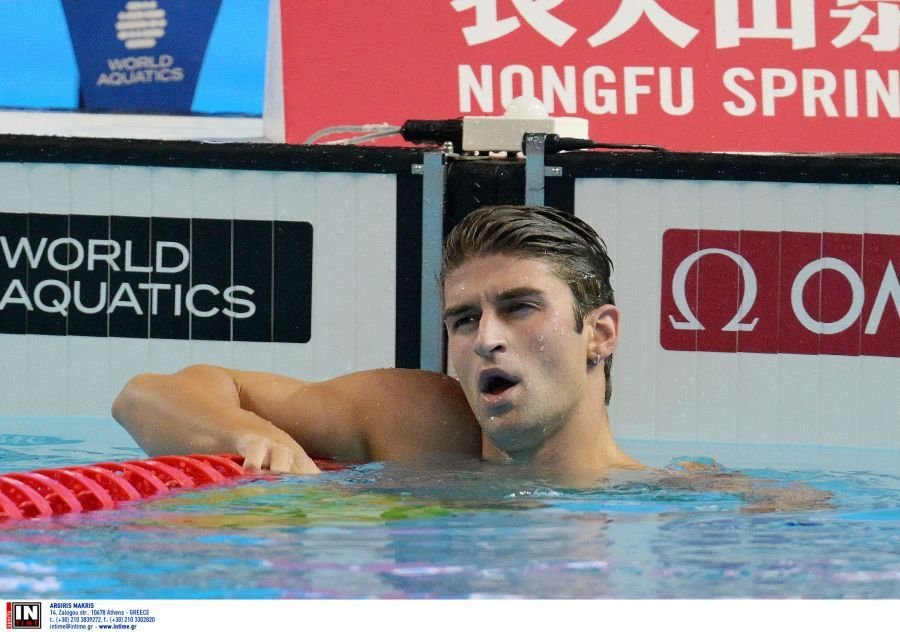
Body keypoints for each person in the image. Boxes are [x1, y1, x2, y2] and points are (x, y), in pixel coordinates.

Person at [112, 205, 641, 476]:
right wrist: (249, 436)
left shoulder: (666, 502)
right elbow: (144, 397)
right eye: (463, 320)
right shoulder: (418, 426)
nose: (486, 339)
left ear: (600, 334)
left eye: (519, 307)